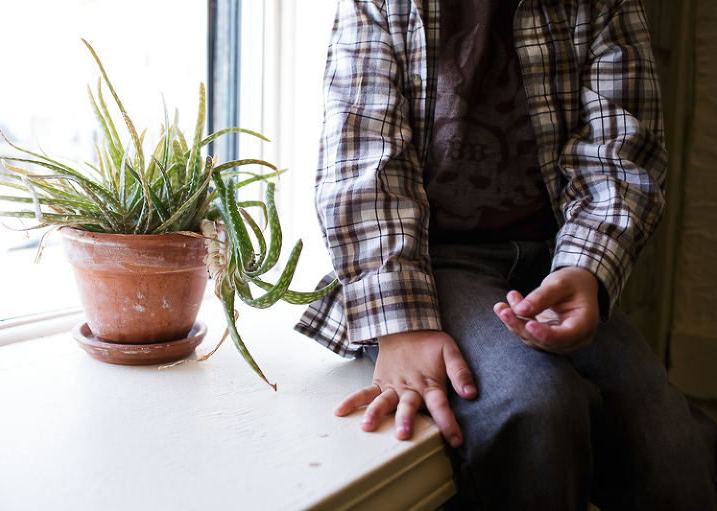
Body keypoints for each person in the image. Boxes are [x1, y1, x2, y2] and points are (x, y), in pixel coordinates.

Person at [295, 0, 717, 508]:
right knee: (535, 409)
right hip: (429, 262)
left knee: (671, 449)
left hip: (555, 255)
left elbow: (620, 152)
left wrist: (585, 267)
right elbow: (361, 161)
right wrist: (402, 329)